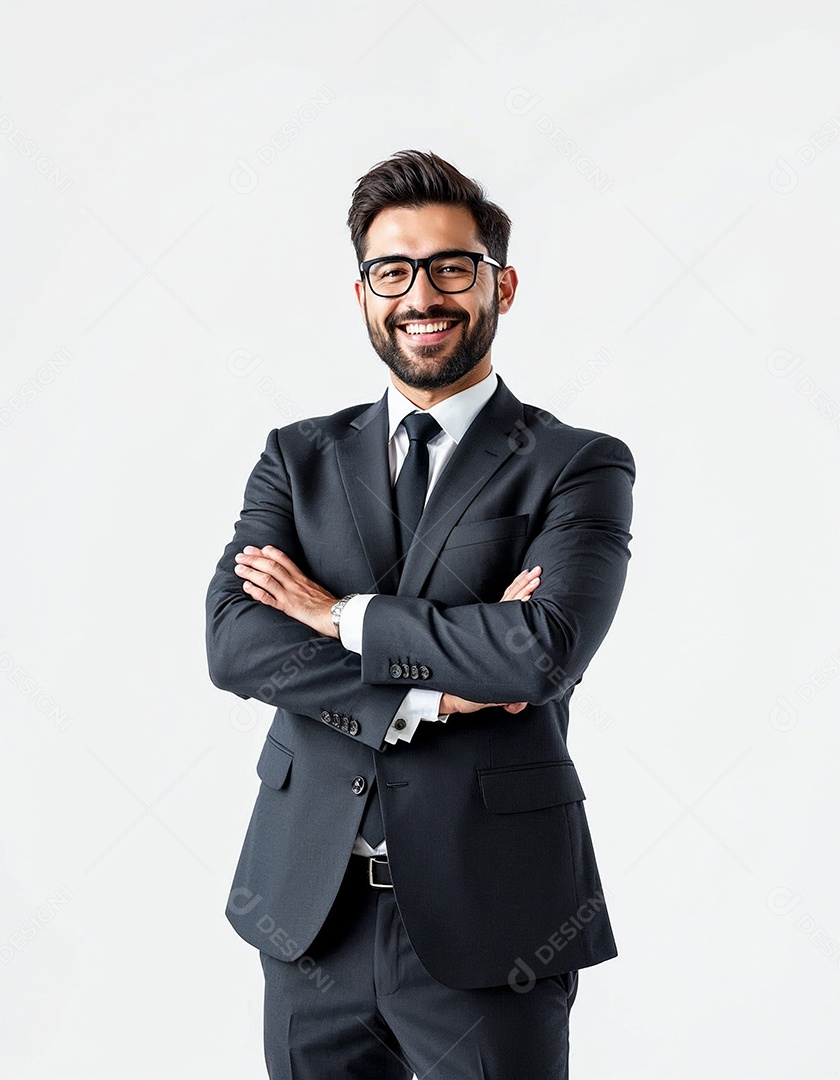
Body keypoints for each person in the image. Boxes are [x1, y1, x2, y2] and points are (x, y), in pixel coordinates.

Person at [205, 149, 635, 1079]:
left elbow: (539, 652)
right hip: (309, 911)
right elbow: (237, 644)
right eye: (391, 270)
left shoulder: (578, 463)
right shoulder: (297, 457)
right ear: (362, 291)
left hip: (494, 920)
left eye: (451, 266)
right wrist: (432, 697)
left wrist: (334, 614)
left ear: (501, 285)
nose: (421, 295)